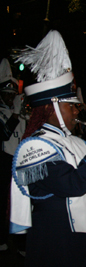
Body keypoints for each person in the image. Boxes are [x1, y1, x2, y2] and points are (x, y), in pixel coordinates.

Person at [9, 30, 86, 267]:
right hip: (55, 242)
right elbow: (73, 184)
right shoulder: (33, 146)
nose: (76, 111)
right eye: (71, 105)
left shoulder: (76, 141)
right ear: (51, 108)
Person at [0, 58, 27, 255]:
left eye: (12, 94)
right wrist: (16, 114)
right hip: (3, 161)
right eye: (6, 94)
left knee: (22, 203)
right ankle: (1, 237)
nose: (10, 98)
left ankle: (21, 242)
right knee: (2, 202)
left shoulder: (19, 111)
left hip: (19, 161)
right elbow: (4, 133)